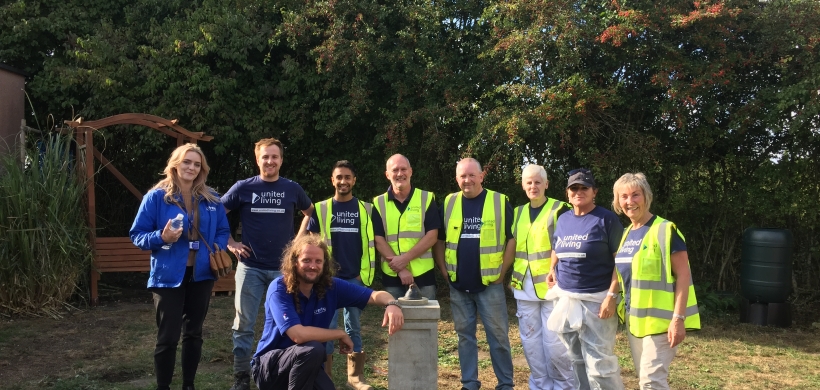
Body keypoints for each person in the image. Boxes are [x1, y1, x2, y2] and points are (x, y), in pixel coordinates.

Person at [130, 143, 231, 390]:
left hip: (202, 274)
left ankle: (189, 385)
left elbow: (222, 231)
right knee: (168, 337)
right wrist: (161, 238)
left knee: (194, 334)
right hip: (168, 276)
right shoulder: (156, 197)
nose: (192, 168)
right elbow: (137, 235)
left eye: (197, 164)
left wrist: (213, 250)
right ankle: (163, 386)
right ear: (175, 164)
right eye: (187, 162)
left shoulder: (212, 198)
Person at [252, 234, 404, 390]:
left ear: (324, 264)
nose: (313, 266)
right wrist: (340, 334)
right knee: (313, 349)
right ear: (294, 262)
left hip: (308, 364)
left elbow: (373, 295)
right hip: (270, 368)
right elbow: (298, 335)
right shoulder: (279, 288)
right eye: (306, 260)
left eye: (318, 261)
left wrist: (391, 303)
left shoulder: (331, 287)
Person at [222, 138, 314, 390]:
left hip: (282, 271)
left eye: (274, 157)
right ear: (257, 159)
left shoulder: (292, 189)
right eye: (265, 157)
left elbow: (310, 212)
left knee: (285, 324)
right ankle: (241, 379)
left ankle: (278, 373)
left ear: (281, 160)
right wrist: (230, 242)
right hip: (249, 268)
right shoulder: (243, 187)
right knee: (243, 325)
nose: (270, 161)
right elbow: (216, 213)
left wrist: (297, 243)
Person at [612, 173, 701, 389]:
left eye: (635, 195)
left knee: (651, 382)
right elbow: (620, 272)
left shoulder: (665, 230)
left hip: (662, 323)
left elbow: (683, 275)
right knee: (646, 379)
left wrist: (678, 319)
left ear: (646, 197)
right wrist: (610, 296)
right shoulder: (626, 234)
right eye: (623, 196)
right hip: (636, 322)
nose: (629, 202)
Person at [434, 158, 515, 390]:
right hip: (459, 285)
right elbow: (438, 239)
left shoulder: (499, 201)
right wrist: (443, 269)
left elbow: (512, 239)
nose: (467, 180)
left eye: (472, 175)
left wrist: (503, 272)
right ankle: (469, 383)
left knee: (499, 338)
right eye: (462, 176)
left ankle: (505, 385)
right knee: (464, 337)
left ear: (482, 176)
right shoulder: (449, 202)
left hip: (490, 284)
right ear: (457, 178)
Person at [304, 160, 381, 389]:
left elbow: (374, 242)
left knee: (353, 326)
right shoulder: (321, 208)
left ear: (354, 180)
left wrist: (360, 277)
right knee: (325, 328)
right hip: (325, 279)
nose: (343, 181)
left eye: (348, 177)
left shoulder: (367, 209)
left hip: (355, 279)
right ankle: (325, 378)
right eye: (339, 177)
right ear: (332, 180)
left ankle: (355, 378)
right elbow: (310, 243)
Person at [546, 168, 625, 390]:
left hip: (597, 300)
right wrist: (552, 268)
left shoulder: (606, 219)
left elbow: (620, 261)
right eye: (574, 188)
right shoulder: (563, 219)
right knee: (576, 358)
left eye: (584, 188)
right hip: (566, 298)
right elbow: (557, 247)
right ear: (567, 194)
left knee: (600, 363)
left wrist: (611, 295)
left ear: (594, 192)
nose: (579, 192)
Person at [511, 164, 575, 390]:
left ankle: (564, 386)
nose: (533, 186)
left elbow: (567, 245)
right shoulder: (517, 212)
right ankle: (539, 385)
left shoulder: (560, 209)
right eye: (528, 182)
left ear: (546, 184)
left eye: (538, 182)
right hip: (523, 286)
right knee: (530, 342)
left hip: (552, 287)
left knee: (555, 343)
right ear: (522, 185)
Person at [373, 154, 440, 300]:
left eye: (403, 169)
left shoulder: (426, 198)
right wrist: (401, 269)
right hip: (392, 274)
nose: (400, 174)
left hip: (423, 274)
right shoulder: (378, 203)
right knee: (395, 320)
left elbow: (432, 236)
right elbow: (378, 239)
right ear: (387, 174)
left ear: (411, 171)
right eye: (395, 170)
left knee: (424, 320)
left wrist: (404, 259)